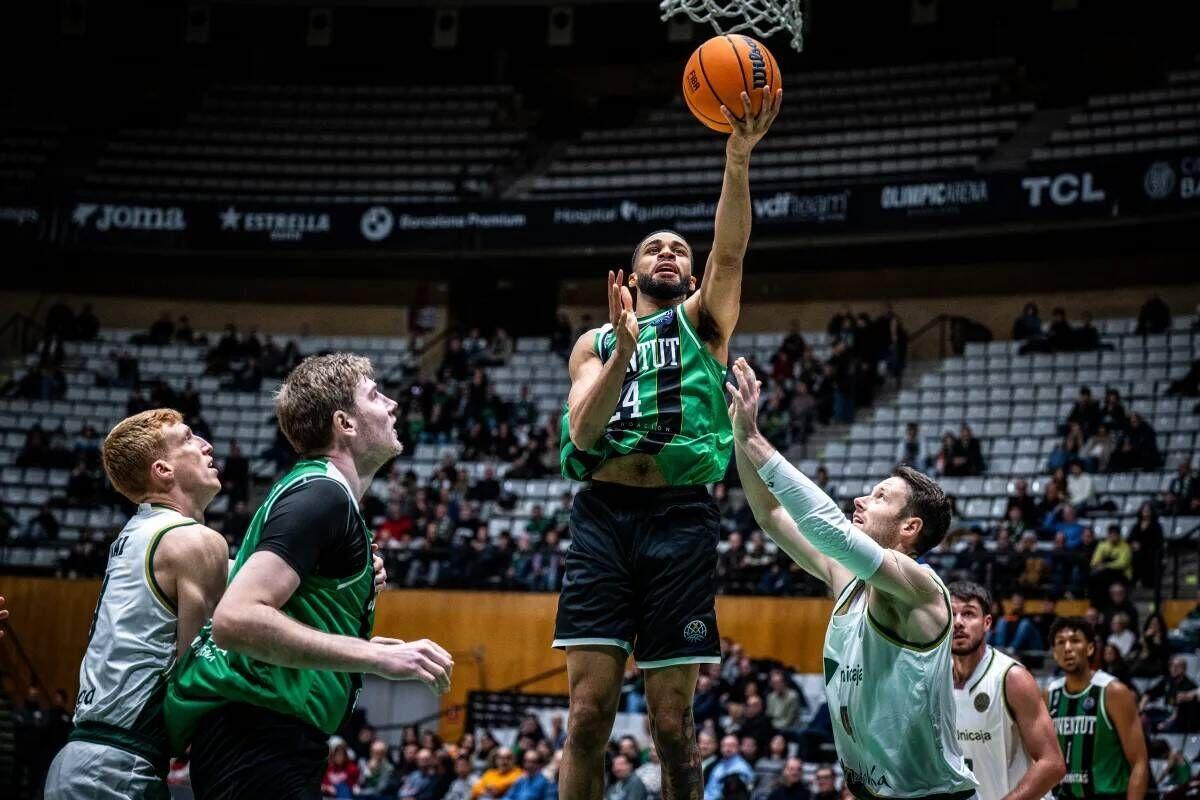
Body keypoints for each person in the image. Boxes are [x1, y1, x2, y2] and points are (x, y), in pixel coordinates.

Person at [554, 87, 782, 800]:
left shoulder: (706, 324)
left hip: (680, 518)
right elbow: (583, 432)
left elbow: (733, 248)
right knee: (587, 718)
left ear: (689, 274)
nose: (669, 253)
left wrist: (736, 158)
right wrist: (621, 351)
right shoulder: (592, 343)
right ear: (630, 272)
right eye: (653, 247)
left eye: (680, 250)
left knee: (674, 723)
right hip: (602, 517)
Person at [165, 355, 451, 799]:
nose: (392, 404)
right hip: (255, 735)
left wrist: (357, 644)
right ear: (345, 424)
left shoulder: (319, 492)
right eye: (375, 395)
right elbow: (235, 620)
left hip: (269, 738)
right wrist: (370, 657)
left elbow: (286, 608)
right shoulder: (320, 495)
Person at [725, 357, 975, 800]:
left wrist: (755, 440)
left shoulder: (920, 586)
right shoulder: (848, 579)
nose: (860, 499)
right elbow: (771, 514)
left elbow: (831, 531)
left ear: (909, 528)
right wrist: (737, 435)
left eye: (879, 497)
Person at [43, 409, 231, 800]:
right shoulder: (194, 540)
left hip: (84, 758)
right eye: (188, 438)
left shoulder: (139, 533)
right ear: (163, 470)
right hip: (117, 765)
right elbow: (196, 674)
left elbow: (250, 572)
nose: (205, 445)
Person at [948, 582, 1065, 800]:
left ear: (987, 623)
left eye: (968, 614)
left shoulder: (1012, 678)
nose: (958, 623)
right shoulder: (934, 680)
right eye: (951, 614)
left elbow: (1053, 764)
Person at [1045, 617, 1148, 800]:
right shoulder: (1049, 695)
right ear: (1054, 653)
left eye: (1075, 641)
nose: (1067, 648)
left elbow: (1139, 763)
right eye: (1061, 642)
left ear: (1090, 648)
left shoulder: (1114, 692)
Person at [704, 735, 754, 800]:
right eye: (724, 745)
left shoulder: (742, 768)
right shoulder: (718, 765)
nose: (727, 749)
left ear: (738, 747)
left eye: (731, 745)